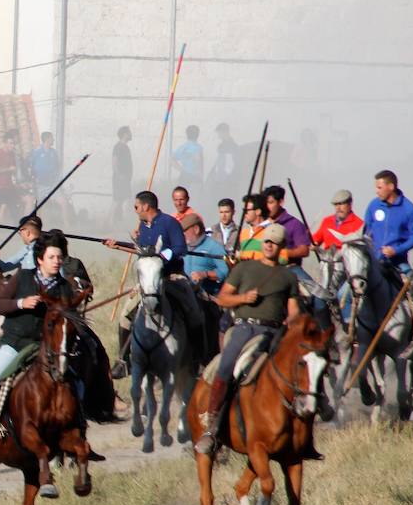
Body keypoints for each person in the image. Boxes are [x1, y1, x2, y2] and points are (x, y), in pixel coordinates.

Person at [193, 222, 301, 457]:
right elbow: (222, 299)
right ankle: (211, 427)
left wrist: (290, 321)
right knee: (226, 365)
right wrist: (244, 297)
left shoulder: (288, 276)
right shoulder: (244, 269)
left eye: (274, 242)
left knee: (298, 369)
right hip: (244, 329)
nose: (270, 246)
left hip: (273, 332)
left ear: (281, 246)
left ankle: (302, 426)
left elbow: (294, 310)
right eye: (267, 242)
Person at [0, 241, 73, 457]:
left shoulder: (64, 287)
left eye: (59, 257)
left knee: (76, 382)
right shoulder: (24, 277)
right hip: (16, 343)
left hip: (47, 348)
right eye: (52, 257)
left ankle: (79, 432)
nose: (57, 261)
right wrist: (21, 303)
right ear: (40, 259)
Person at [108, 190, 206, 376]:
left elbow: (180, 248)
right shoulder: (144, 226)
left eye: (136, 206)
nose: (135, 210)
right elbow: (142, 251)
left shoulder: (170, 223)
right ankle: (124, 361)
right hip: (148, 282)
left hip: (173, 276)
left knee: (194, 313)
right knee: (124, 316)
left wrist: (160, 257)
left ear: (146, 206)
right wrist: (118, 245)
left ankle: (198, 360)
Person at [363, 169, 413, 280]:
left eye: (379, 188)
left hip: (398, 263)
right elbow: (366, 231)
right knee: (343, 294)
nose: (377, 191)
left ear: (391, 186)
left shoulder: (409, 209)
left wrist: (396, 250)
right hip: (373, 261)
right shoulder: (373, 205)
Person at [263, 185, 314, 289]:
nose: (267, 207)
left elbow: (304, 250)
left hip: (290, 268)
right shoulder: (261, 225)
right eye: (265, 203)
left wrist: (282, 253)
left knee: (319, 298)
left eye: (271, 202)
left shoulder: (295, 224)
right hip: (263, 268)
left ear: (280, 202)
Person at [181, 212, 228, 295]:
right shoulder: (184, 248)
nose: (182, 235)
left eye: (185, 231)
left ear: (196, 229)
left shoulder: (214, 246)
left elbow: (225, 271)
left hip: (208, 298)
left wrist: (205, 274)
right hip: (187, 296)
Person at [0, 131, 19, 223]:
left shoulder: (12, 155)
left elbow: (13, 171)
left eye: (13, 143)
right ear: (5, 143)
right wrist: (8, 169)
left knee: (14, 210)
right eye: (10, 143)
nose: (13, 145)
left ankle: (18, 230)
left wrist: (15, 179)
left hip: (9, 187)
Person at [29, 131, 61, 201]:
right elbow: (30, 166)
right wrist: (33, 180)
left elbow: (58, 167)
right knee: (41, 205)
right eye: (52, 138)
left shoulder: (54, 152)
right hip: (40, 185)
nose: (53, 140)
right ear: (47, 139)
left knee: (62, 202)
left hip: (52, 185)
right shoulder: (36, 152)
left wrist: (57, 178)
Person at [112, 127, 133, 216]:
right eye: (129, 132)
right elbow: (114, 161)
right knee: (121, 199)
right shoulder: (119, 146)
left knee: (120, 200)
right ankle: (114, 221)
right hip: (120, 178)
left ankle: (111, 221)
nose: (131, 134)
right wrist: (118, 175)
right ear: (125, 134)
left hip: (125, 178)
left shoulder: (125, 147)